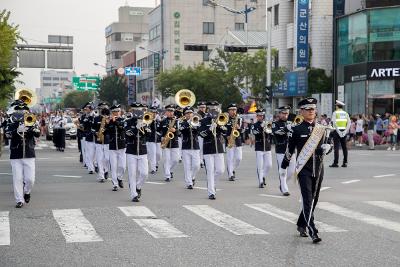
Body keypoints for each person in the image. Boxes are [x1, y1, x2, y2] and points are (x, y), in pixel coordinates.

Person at [281, 97, 332, 243]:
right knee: (307, 200)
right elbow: (289, 150)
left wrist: (328, 148)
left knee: (314, 200)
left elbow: (329, 144)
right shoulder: (296, 129)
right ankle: (313, 231)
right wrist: (283, 167)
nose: (311, 111)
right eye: (308, 109)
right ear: (301, 112)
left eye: (313, 109)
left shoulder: (322, 128)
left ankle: (301, 223)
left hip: (319, 168)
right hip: (304, 169)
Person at [5, 103, 41, 208]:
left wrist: (31, 129)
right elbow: (7, 134)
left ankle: (27, 192)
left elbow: (38, 133)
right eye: (19, 110)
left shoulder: (31, 119)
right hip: (16, 153)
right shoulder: (11, 120)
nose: (22, 112)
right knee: (17, 178)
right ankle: (19, 200)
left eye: (24, 110)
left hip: (29, 153)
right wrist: (17, 130)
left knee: (30, 179)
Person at [199, 101, 227, 200]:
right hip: (208, 148)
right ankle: (211, 192)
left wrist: (220, 126)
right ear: (208, 109)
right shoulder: (203, 121)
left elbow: (225, 131)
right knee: (210, 171)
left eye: (215, 108)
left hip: (218, 148)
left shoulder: (220, 119)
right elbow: (201, 134)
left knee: (220, 170)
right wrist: (209, 129)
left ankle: (213, 183)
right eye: (211, 108)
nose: (213, 110)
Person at [125, 103, 150, 202]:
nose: (138, 111)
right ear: (132, 110)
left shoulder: (146, 121)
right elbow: (128, 133)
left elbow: (149, 135)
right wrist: (136, 127)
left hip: (143, 150)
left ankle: (138, 187)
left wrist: (146, 128)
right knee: (132, 174)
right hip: (131, 151)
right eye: (135, 109)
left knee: (144, 174)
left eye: (139, 109)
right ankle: (133, 195)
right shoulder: (128, 121)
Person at [272, 106, 295, 195]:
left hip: (291, 149)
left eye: (287, 113)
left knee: (291, 171)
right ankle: (284, 189)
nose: (285, 115)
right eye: (284, 113)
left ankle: (282, 184)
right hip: (281, 149)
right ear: (279, 114)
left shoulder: (292, 122)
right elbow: (277, 132)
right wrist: (286, 129)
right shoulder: (275, 123)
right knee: (283, 170)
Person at [179, 106, 201, 189]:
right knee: (187, 166)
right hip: (186, 146)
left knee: (196, 166)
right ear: (184, 114)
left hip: (195, 146)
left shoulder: (197, 121)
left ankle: (192, 177)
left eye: (191, 113)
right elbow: (181, 130)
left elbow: (198, 130)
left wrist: (194, 123)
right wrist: (188, 122)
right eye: (187, 113)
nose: (189, 114)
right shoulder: (182, 122)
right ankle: (189, 183)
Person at [105, 104, 126, 191]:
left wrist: (115, 122)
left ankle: (119, 178)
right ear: (112, 113)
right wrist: (107, 124)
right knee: (113, 166)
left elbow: (122, 128)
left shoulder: (124, 120)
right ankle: (115, 184)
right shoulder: (109, 121)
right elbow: (106, 133)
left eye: (117, 111)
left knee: (123, 166)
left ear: (120, 112)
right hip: (112, 146)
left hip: (122, 145)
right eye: (114, 112)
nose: (116, 113)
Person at [251, 109, 273, 189]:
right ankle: (260, 181)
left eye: (262, 115)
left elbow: (270, 132)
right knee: (260, 166)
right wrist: (261, 128)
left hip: (267, 146)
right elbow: (255, 132)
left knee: (269, 165)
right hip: (259, 146)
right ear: (257, 116)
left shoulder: (267, 123)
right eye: (259, 115)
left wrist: (268, 129)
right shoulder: (254, 125)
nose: (261, 117)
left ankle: (263, 176)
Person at [159, 104, 180, 182]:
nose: (170, 113)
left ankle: (170, 170)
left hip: (174, 142)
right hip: (165, 142)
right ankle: (167, 175)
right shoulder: (162, 121)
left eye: (172, 111)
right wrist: (161, 138)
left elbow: (180, 132)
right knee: (167, 159)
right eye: (169, 111)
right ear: (166, 112)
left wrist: (175, 131)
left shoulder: (177, 121)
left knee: (176, 160)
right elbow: (158, 131)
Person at [92, 102, 110, 182]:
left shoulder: (109, 119)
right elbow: (92, 129)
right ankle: (101, 175)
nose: (103, 109)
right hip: (98, 141)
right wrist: (95, 133)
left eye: (104, 108)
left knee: (107, 158)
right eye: (101, 108)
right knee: (99, 159)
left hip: (107, 141)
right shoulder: (96, 119)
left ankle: (106, 170)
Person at [225, 103, 243, 181]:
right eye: (232, 110)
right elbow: (223, 129)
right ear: (228, 111)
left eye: (235, 109)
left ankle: (231, 169)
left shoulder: (239, 119)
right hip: (229, 140)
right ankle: (230, 175)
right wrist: (226, 136)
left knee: (239, 158)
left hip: (237, 140)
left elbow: (242, 130)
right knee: (230, 158)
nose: (234, 111)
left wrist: (239, 128)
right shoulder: (225, 118)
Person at [329, 100, 350, 168]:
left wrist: (338, 132)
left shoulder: (335, 113)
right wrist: (345, 131)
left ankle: (336, 163)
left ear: (337, 106)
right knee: (344, 147)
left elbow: (334, 123)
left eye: (336, 105)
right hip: (344, 131)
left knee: (336, 148)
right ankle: (345, 162)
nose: (335, 107)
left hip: (337, 132)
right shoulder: (346, 113)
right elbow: (349, 123)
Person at [146, 106, 162, 175]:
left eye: (155, 112)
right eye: (152, 112)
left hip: (158, 140)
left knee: (159, 154)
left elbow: (161, 129)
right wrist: (151, 120)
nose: (154, 113)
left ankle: (156, 164)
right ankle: (153, 168)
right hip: (150, 139)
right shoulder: (147, 120)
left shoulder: (159, 120)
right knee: (152, 154)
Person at [197, 101, 207, 168]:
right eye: (201, 107)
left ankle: (204, 159)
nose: (202, 108)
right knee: (200, 148)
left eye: (204, 107)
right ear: (198, 108)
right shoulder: (196, 115)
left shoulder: (207, 115)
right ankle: (200, 161)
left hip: (206, 133)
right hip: (199, 134)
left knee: (205, 148)